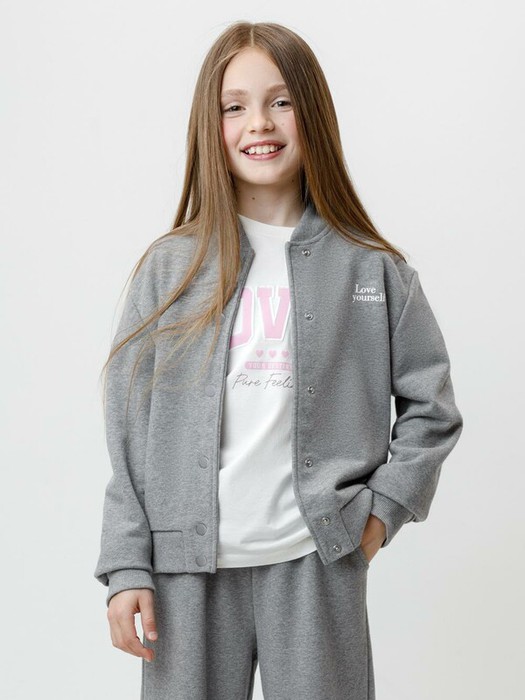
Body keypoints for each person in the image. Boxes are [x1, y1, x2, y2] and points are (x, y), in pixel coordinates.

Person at [94, 20, 464, 700]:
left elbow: (431, 409)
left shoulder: (372, 270)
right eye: (233, 106)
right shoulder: (170, 269)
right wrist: (126, 566)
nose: (258, 123)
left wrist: (377, 516)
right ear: (210, 126)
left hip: (315, 559)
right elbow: (128, 437)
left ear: (312, 113)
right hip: (185, 571)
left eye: (281, 100)